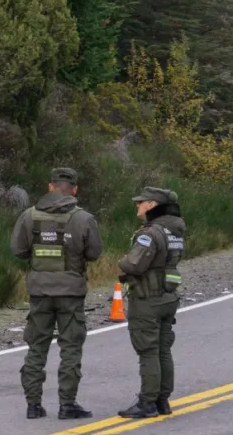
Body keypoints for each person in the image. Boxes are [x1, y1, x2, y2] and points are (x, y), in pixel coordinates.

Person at [10, 167, 103, 420]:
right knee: (70, 347)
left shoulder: (29, 216)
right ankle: (67, 404)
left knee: (36, 348)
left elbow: (18, 250)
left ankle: (33, 405)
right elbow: (94, 253)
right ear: (74, 189)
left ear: (50, 187)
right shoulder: (84, 219)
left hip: (39, 292)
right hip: (71, 293)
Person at [117, 186, 186, 419]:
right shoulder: (175, 231)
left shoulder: (150, 233)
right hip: (168, 297)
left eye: (141, 202)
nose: (137, 205)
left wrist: (122, 261)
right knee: (163, 350)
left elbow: (133, 264)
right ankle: (162, 400)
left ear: (152, 205)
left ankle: (147, 402)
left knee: (148, 350)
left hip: (148, 298)